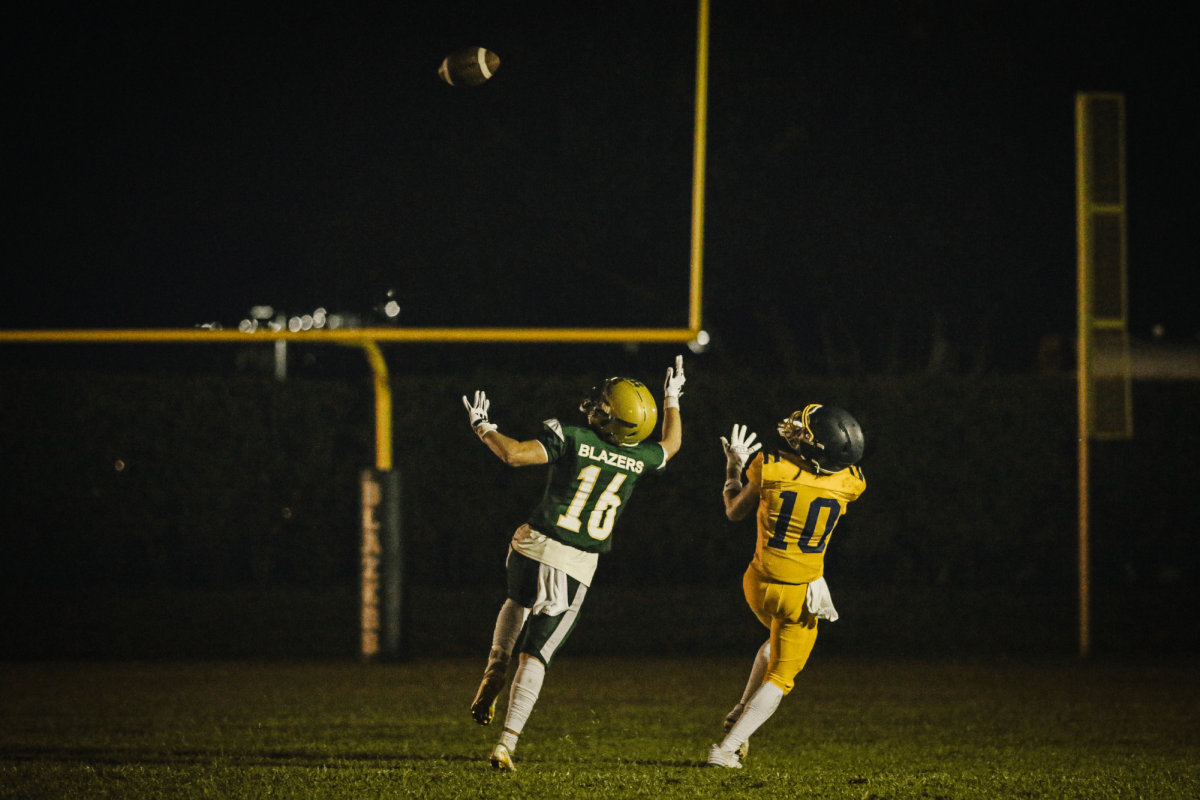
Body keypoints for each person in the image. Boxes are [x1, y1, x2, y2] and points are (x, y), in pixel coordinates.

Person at [462, 356, 686, 772]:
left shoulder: (572, 435)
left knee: (516, 601)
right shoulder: (640, 457)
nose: (597, 406)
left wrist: (483, 426)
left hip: (529, 547)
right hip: (574, 564)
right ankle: (506, 743)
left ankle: (494, 669)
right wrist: (672, 398)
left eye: (605, 406)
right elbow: (671, 445)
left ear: (615, 421)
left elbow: (512, 455)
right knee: (537, 655)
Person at [706, 403, 866, 768]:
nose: (795, 434)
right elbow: (826, 472)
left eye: (804, 433)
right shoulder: (850, 483)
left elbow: (733, 510)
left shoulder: (770, 467)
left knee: (773, 644)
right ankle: (727, 749)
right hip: (799, 593)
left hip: (758, 583)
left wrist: (734, 466)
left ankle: (738, 712)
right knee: (781, 676)